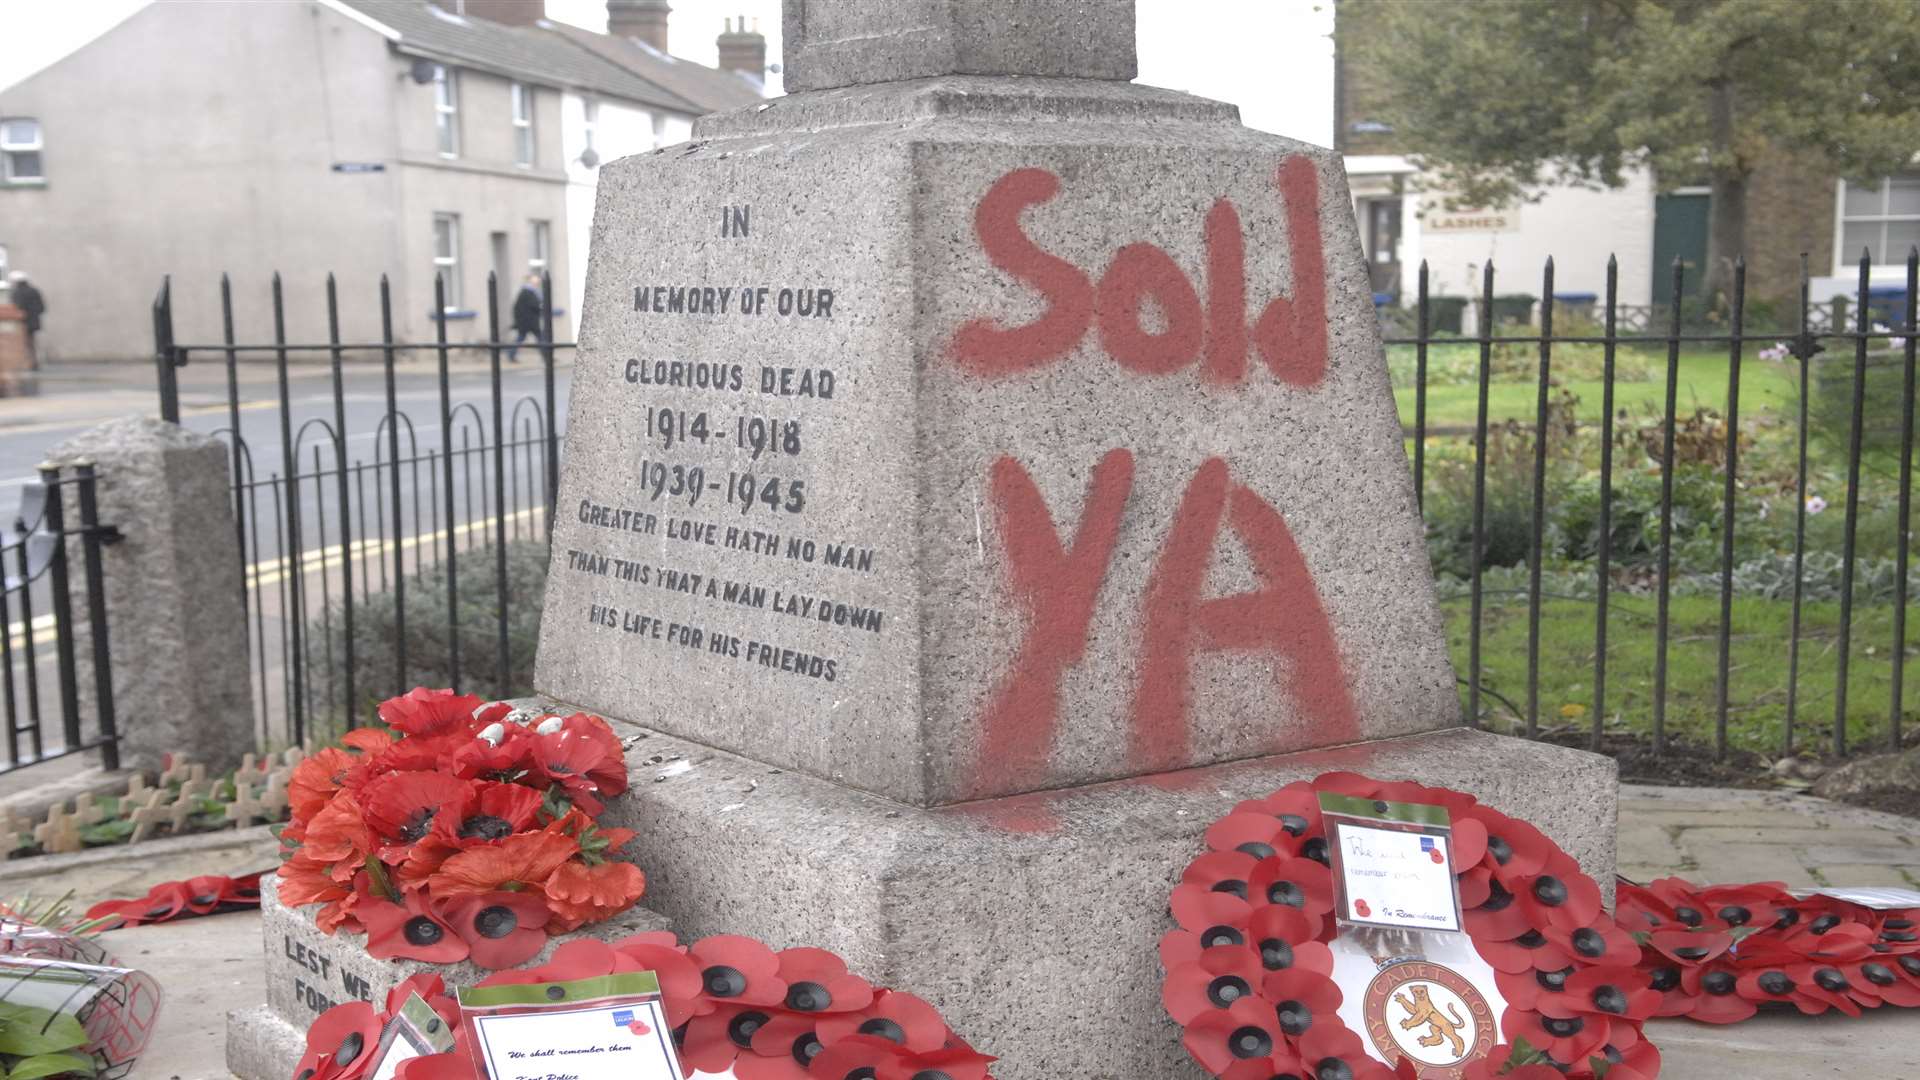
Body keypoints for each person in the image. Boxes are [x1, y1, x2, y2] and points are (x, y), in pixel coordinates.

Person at [9, 272, 44, 370]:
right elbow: (42, 308)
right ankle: (34, 362)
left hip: (22, 323)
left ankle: (27, 363)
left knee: (24, 344)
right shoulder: (34, 291)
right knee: (31, 343)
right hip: (34, 322)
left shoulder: (17, 292)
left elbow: (16, 308)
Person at [508, 273, 546, 362]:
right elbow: (534, 305)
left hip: (528, 321)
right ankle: (546, 355)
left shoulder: (529, 292)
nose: (537, 283)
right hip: (528, 321)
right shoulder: (527, 292)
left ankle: (546, 355)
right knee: (538, 338)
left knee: (534, 338)